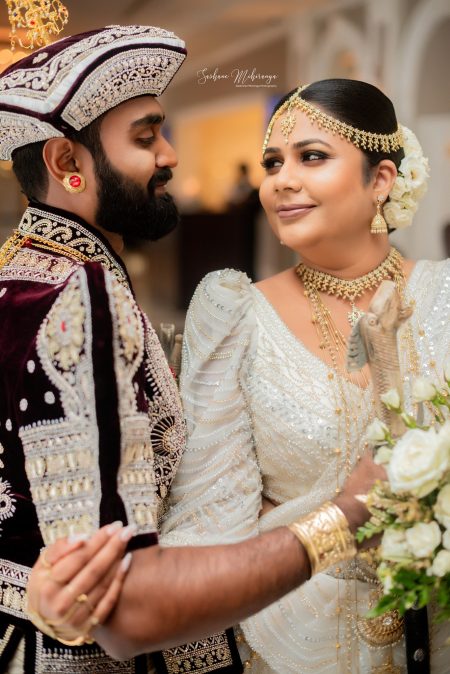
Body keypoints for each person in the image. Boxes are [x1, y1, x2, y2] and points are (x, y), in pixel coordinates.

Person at [0, 29, 381, 674]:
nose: (169, 154)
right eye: (146, 138)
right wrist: (341, 518)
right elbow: (120, 601)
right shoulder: (78, 296)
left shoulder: (25, 275)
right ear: (67, 161)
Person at [157, 80, 450, 673]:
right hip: (286, 641)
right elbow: (208, 521)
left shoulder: (444, 296)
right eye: (273, 163)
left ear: (381, 179)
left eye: (311, 157)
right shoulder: (233, 313)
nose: (280, 181)